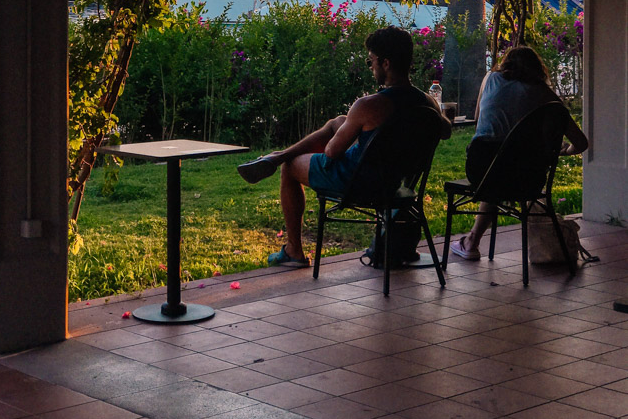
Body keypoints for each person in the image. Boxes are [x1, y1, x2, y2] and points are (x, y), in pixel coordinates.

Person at [237, 26, 452, 267]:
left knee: (291, 166)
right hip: (393, 180)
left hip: (358, 181)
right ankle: (277, 155)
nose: (370, 66)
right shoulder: (427, 103)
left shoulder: (368, 105)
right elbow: (445, 130)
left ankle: (293, 249)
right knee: (338, 122)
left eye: (371, 61)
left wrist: (346, 137)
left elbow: (331, 152)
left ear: (386, 63)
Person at [450, 45, 588, 260]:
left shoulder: (490, 79)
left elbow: (478, 117)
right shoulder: (544, 94)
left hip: (482, 170)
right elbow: (580, 142)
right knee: (507, 168)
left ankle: (471, 243)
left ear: (506, 64)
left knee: (497, 173)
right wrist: (562, 151)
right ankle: (473, 242)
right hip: (527, 178)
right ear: (538, 69)